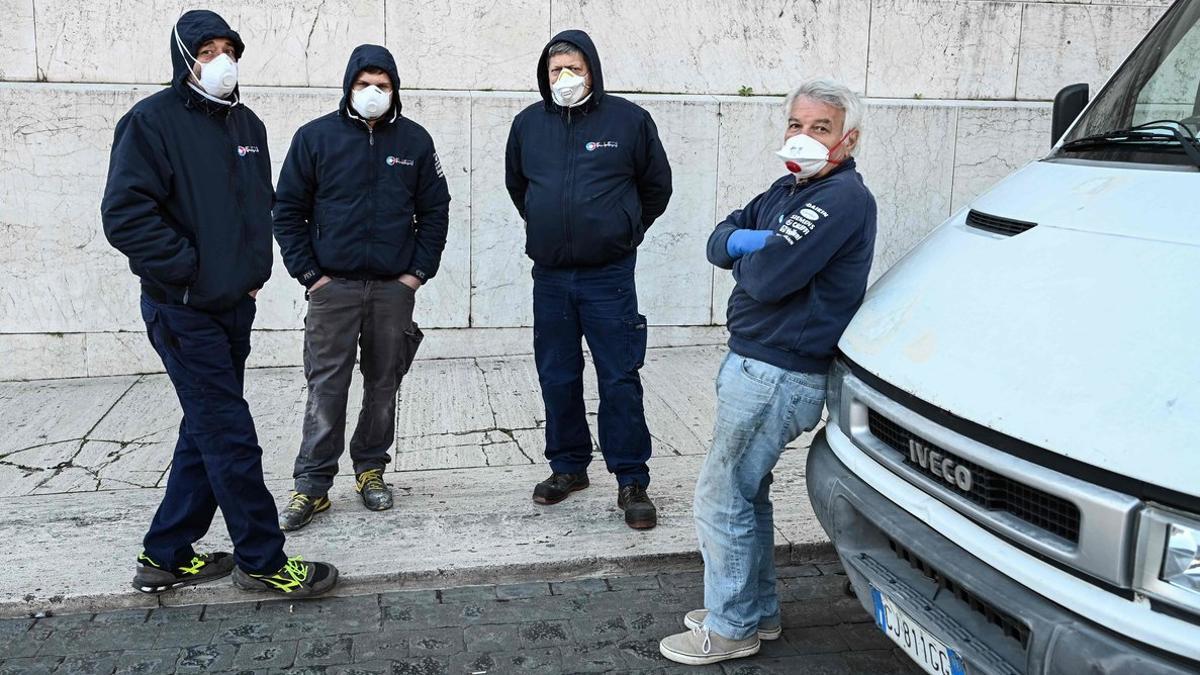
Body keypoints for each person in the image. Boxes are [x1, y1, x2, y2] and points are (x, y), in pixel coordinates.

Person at [100, 9, 337, 598]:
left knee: (204, 430)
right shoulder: (150, 123)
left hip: (234, 306)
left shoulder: (247, 125)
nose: (220, 59)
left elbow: (262, 205)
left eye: (229, 48)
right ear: (185, 58)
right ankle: (261, 559)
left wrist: (252, 272)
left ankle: (164, 554)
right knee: (230, 434)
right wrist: (192, 272)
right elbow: (125, 216)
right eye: (207, 50)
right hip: (182, 308)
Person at [659, 78, 877, 665]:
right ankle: (756, 611)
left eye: (821, 128)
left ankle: (731, 628)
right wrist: (750, 241)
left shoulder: (839, 200)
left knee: (720, 496)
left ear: (848, 139)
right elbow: (716, 239)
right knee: (745, 494)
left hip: (777, 372)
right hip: (756, 362)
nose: (804, 137)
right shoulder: (789, 188)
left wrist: (747, 254)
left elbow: (764, 280)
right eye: (796, 125)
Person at [272, 44, 450, 531]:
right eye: (364, 84)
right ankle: (311, 485)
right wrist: (312, 277)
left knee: (383, 383)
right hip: (334, 289)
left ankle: (371, 469)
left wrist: (415, 275)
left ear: (395, 90)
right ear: (348, 86)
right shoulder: (315, 138)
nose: (373, 93)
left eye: (383, 85)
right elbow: (287, 211)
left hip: (392, 290)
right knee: (326, 387)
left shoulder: (414, 141)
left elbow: (435, 211)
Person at [505, 30, 673, 530]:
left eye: (574, 69)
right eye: (556, 71)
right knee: (557, 374)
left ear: (592, 70)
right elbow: (520, 188)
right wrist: (548, 224)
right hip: (551, 277)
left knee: (618, 375)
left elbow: (656, 187)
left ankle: (631, 478)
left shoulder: (629, 121)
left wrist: (624, 229)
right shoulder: (527, 125)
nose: (565, 79)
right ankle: (568, 466)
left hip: (609, 276)